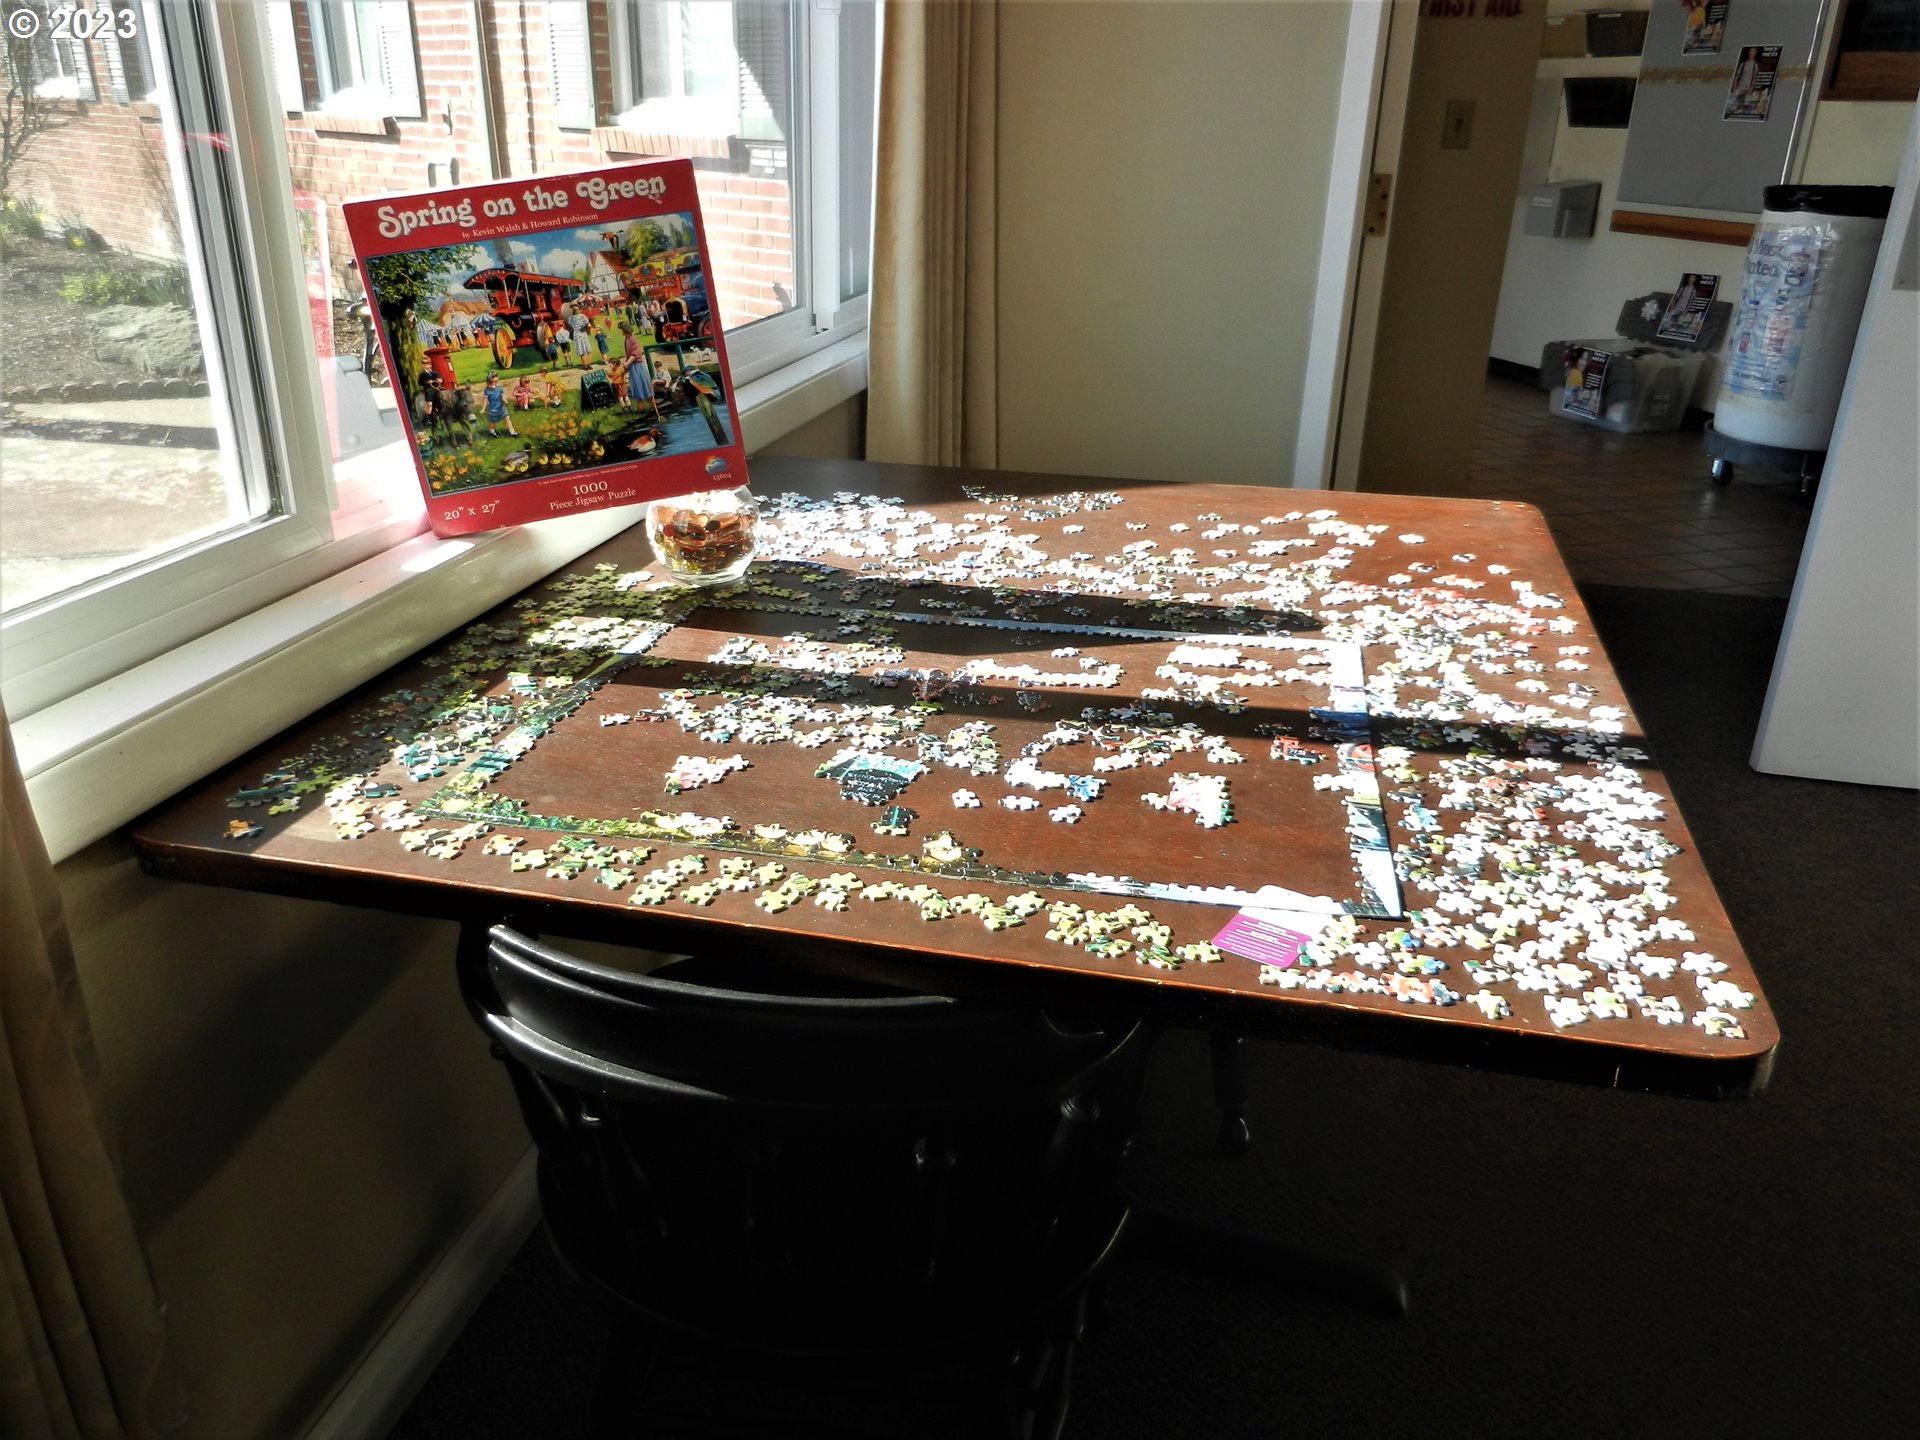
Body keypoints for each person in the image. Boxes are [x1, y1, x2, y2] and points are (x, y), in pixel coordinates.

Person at [483, 371, 517, 437]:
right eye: (495, 377)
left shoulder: (499, 388)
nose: (498, 377)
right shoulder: (487, 390)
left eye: (497, 376)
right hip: (493, 409)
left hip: (501, 407)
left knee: (507, 418)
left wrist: (504, 400)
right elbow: (486, 400)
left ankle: (512, 432)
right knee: (492, 421)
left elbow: (501, 397)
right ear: (491, 379)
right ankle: (492, 432)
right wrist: (483, 409)